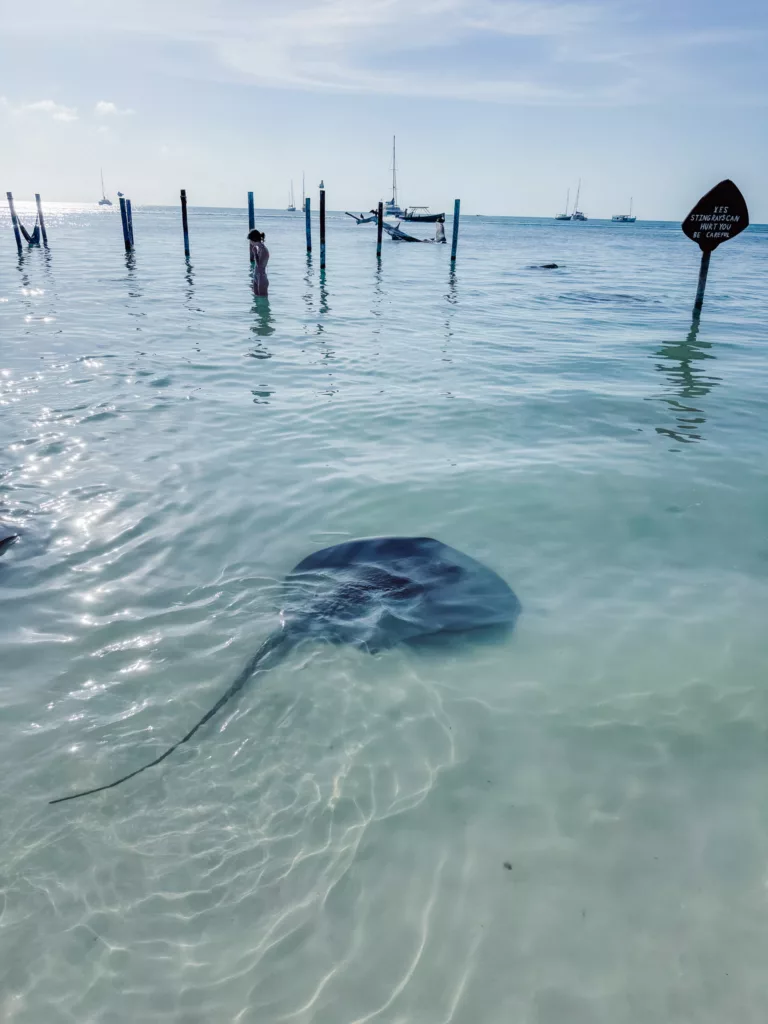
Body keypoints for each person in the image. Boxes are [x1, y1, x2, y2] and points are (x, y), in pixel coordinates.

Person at [247, 229, 269, 297]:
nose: (250, 242)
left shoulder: (263, 249)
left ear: (254, 239)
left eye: (250, 240)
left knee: (262, 300)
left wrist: (255, 254)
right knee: (256, 300)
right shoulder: (258, 248)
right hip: (256, 276)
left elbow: (259, 266)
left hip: (261, 278)